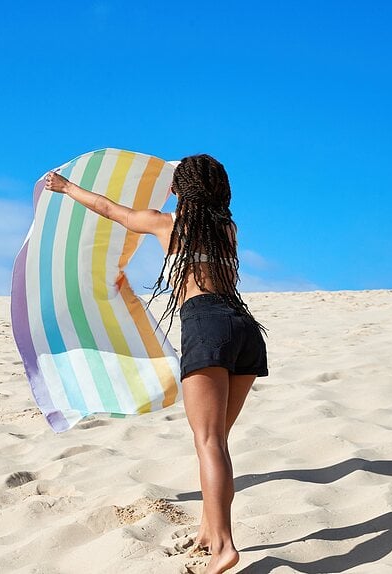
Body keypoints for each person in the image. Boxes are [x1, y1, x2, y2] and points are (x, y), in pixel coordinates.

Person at [44, 154, 268, 574]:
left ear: (178, 190)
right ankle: (207, 530)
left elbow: (111, 210)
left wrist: (66, 188)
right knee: (217, 442)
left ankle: (223, 545)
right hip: (246, 330)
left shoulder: (167, 224)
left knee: (209, 444)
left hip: (206, 326)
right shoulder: (228, 229)